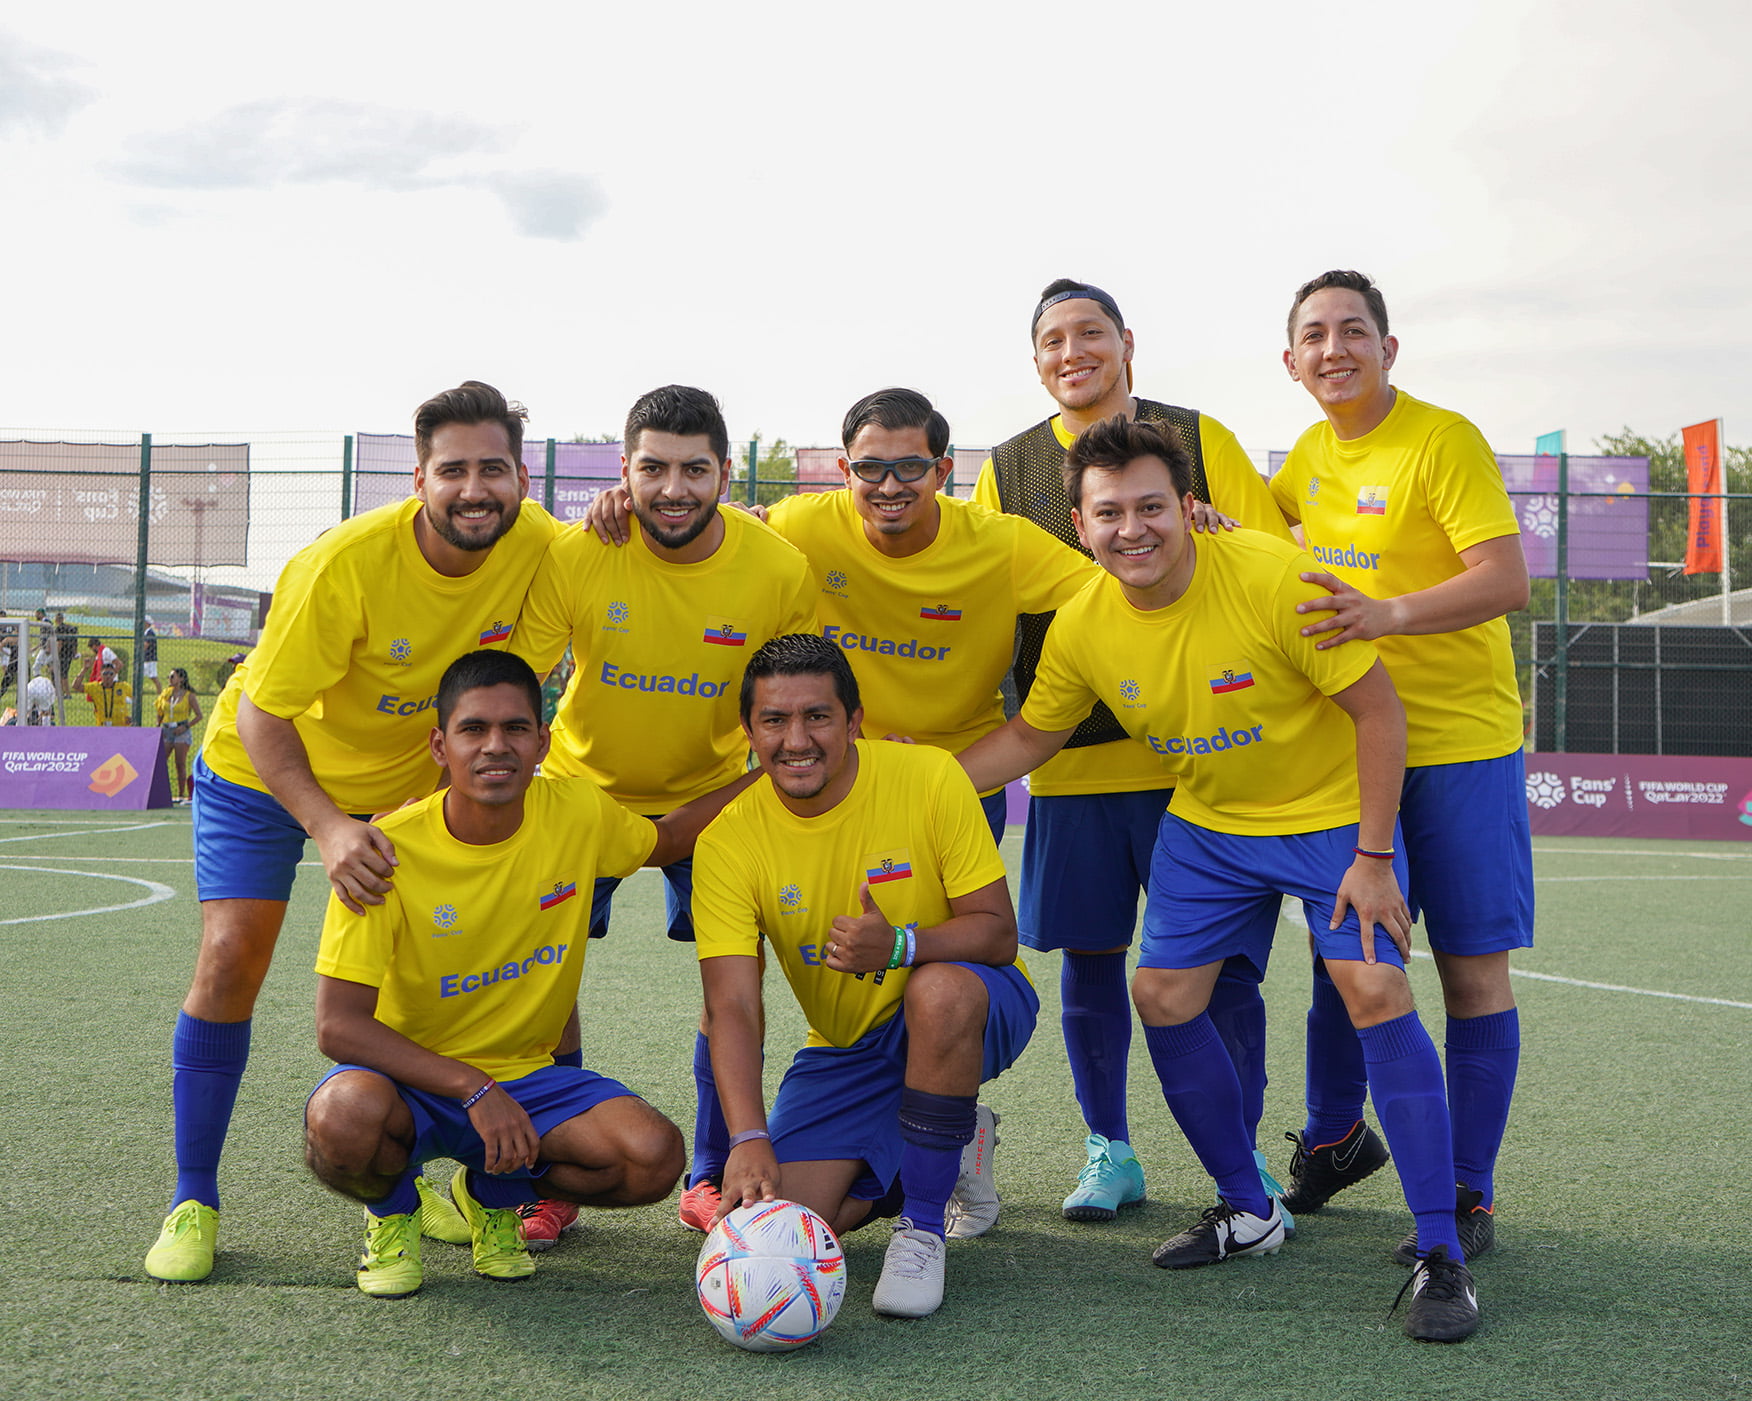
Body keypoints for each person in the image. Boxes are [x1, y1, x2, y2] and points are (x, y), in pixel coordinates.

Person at [957, 417, 1479, 1342]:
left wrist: (1372, 857)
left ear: (1189, 508)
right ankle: (1249, 1208)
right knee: (1159, 993)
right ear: (1081, 526)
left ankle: (1442, 1250)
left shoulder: (1275, 578)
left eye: (1151, 506)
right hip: (1208, 824)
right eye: (1109, 512)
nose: (1133, 529)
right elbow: (1029, 739)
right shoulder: (1081, 626)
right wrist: (903, 781)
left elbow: (1377, 709)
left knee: (1372, 983)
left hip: (1327, 819)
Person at [589, 387, 1099, 1239]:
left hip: (944, 785)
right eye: (869, 467)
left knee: (937, 991)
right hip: (823, 786)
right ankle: (919, 1135)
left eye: (910, 467)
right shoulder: (800, 527)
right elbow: (710, 519)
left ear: (944, 470)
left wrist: (1033, 726)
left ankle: (928, 1211)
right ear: (843, 469)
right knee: (786, 1201)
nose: (889, 484)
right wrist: (632, 506)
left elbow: (1109, 593)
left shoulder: (1001, 545)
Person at [143, 381, 561, 1284]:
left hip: (406, 784)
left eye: (493, 467)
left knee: (468, 964)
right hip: (268, 771)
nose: (475, 488)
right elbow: (264, 715)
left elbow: (633, 548)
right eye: (453, 469)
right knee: (230, 957)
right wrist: (330, 826)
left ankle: (468, 1189)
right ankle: (194, 1195)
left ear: (522, 477)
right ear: (420, 478)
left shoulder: (539, 543)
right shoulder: (342, 564)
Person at [974, 278, 1299, 1224]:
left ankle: (1243, 1156)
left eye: (1090, 334)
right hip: (1072, 761)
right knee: (1091, 958)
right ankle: (1107, 1148)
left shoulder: (1199, 438)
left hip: (1198, 762)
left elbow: (1275, 561)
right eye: (1052, 340)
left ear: (1126, 343)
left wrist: (1218, 535)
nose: (1072, 351)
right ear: (1035, 360)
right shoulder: (1011, 467)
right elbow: (997, 597)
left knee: (1225, 969)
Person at [304, 650, 749, 1297]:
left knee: (652, 1158)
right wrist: (475, 1087)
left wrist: (769, 772)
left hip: (530, 1078)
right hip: (410, 1080)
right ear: (439, 744)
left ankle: (490, 1190)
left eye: (516, 728)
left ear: (542, 740)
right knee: (341, 1120)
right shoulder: (384, 850)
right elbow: (336, 1025)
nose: (496, 746)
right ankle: (393, 1209)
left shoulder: (577, 811)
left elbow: (669, 839)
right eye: (473, 729)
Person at [1270, 270, 1532, 1268]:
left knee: (1470, 972)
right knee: (1349, 957)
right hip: (1351, 747)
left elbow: (1504, 577)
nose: (1333, 349)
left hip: (1460, 743)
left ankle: (1468, 1192)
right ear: (1289, 361)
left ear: (1388, 347)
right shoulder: (1305, 454)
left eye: (1352, 331)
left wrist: (1389, 614)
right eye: (1313, 336)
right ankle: (1336, 1138)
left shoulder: (1441, 438)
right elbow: (1265, 537)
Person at [514, 384, 817, 1242]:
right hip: (582, 793)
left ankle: (712, 1170)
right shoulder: (579, 552)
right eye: (653, 469)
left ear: (725, 471)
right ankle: (551, 1174)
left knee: (731, 978)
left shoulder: (775, 568)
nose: (673, 488)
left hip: (715, 796)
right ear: (624, 472)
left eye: (693, 469)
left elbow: (784, 705)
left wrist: (727, 800)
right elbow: (516, 683)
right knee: (544, 987)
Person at [695, 635, 1037, 1319]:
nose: (797, 739)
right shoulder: (728, 841)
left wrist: (902, 944)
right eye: (774, 720)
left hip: (973, 1001)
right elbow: (731, 1003)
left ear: (854, 721)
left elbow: (998, 933)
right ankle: (949, 1138)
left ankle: (922, 1226)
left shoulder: (930, 776)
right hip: (847, 1046)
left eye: (818, 716)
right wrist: (746, 1137)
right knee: (788, 1223)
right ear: (749, 731)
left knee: (935, 989)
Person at [157, 667, 203, 802]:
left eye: (173, 676)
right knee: (161, 761)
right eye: (169, 677)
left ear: (181, 679)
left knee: (179, 763)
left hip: (181, 730)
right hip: (167, 730)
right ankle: (161, 790)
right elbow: (160, 710)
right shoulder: (166, 694)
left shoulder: (189, 696)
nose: (170, 679)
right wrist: (157, 724)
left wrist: (185, 727)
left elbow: (199, 716)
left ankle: (181, 794)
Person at [83, 659, 134, 726]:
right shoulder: (95, 687)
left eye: (111, 674)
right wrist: (84, 669)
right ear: (100, 674)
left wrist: (133, 717)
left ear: (115, 674)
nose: (108, 676)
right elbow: (76, 686)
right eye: (105, 674)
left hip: (121, 726)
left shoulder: (123, 686)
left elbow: (137, 699)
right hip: (102, 726)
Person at [142, 617, 162, 695]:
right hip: (145, 659)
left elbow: (146, 645)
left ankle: (160, 695)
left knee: (154, 678)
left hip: (150, 659)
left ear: (146, 623)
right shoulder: (146, 633)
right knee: (138, 677)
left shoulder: (150, 633)